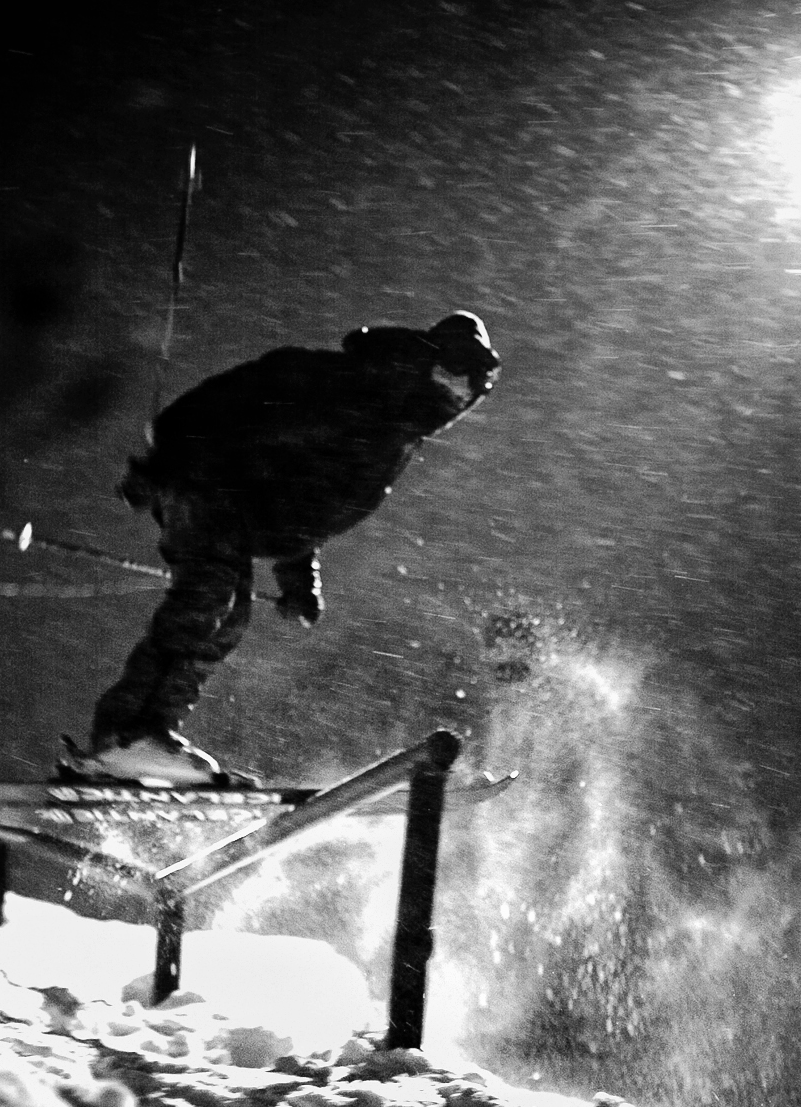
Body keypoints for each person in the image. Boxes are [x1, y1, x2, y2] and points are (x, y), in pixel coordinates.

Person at [65, 311, 501, 785]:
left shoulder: (396, 424)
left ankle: (145, 737)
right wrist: (162, 461)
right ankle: (123, 735)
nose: (457, 393)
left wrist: (299, 579)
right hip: (209, 483)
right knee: (209, 597)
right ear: (428, 360)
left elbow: (301, 498)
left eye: (469, 389)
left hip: (232, 500)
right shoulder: (363, 389)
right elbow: (235, 406)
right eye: (451, 373)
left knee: (228, 618)